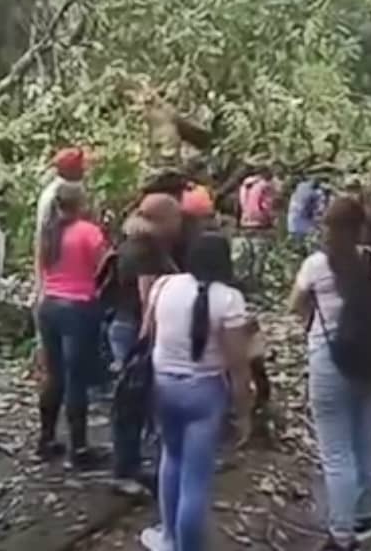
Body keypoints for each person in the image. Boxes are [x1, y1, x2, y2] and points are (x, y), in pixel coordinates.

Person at [140, 231, 253, 551]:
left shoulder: (163, 286)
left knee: (171, 459)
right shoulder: (229, 299)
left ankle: (169, 538)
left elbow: (147, 335)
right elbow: (237, 364)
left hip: (163, 385)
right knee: (196, 478)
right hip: (205, 392)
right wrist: (243, 411)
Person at [289, 197, 371, 551]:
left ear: (325, 228)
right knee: (363, 441)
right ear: (360, 228)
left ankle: (340, 534)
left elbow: (295, 304)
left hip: (329, 359)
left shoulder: (316, 264)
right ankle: (364, 524)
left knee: (335, 451)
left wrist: (314, 312)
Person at [110, 194, 182, 484]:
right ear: (161, 219)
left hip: (124, 324)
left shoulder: (131, 241)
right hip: (137, 329)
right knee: (136, 399)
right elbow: (147, 298)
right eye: (175, 217)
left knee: (131, 399)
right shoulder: (146, 250)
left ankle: (133, 464)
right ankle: (130, 468)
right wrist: (151, 338)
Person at [35, 182, 107, 467]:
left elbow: (42, 269)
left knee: (54, 375)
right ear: (81, 203)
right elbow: (104, 267)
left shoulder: (48, 233)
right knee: (77, 376)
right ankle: (79, 449)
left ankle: (47, 439)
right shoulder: (88, 232)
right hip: (79, 306)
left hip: (50, 305)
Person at [35, 146, 86, 299]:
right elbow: (42, 239)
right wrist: (40, 283)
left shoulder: (76, 188)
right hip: (58, 270)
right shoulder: (52, 196)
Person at [238, 167, 277, 287]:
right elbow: (266, 205)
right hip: (260, 224)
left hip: (245, 222)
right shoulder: (266, 186)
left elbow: (241, 202)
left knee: (246, 254)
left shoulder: (246, 184)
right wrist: (271, 218)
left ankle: (244, 280)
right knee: (259, 255)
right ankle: (255, 283)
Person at [287, 178, 324, 245]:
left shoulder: (301, 185)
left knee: (294, 239)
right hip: (302, 221)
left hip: (293, 216)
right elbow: (311, 209)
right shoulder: (313, 194)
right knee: (301, 241)